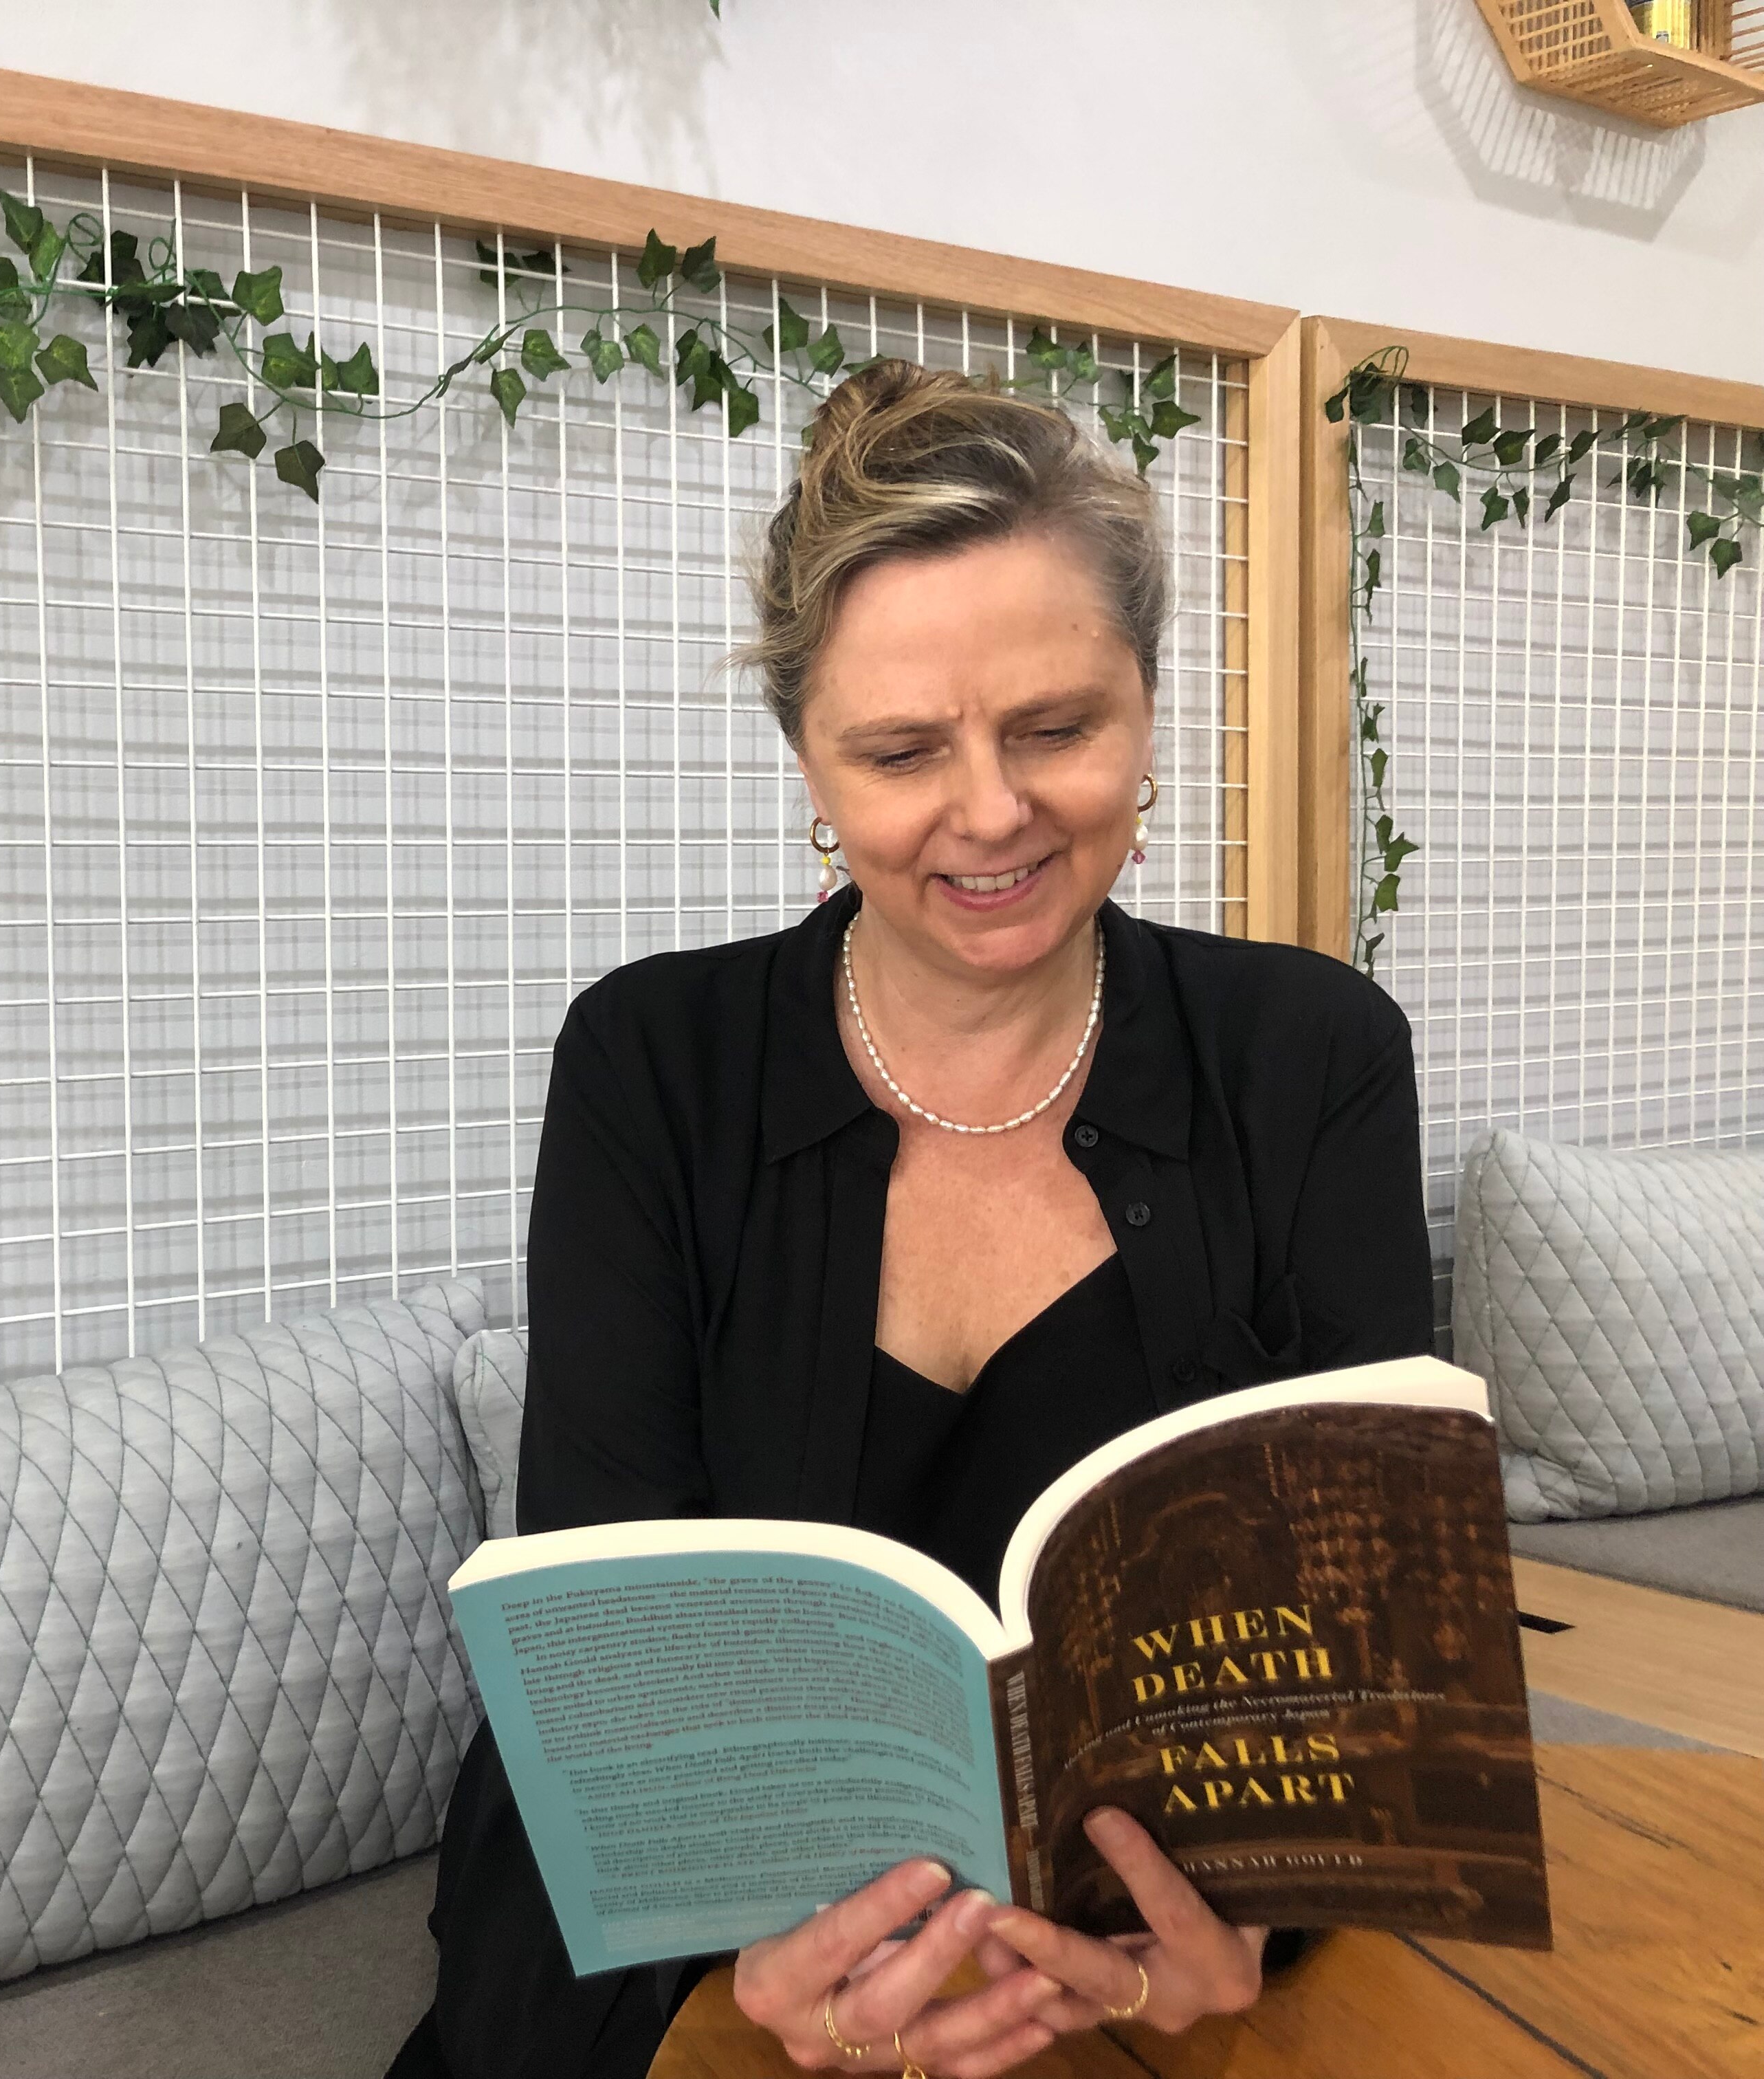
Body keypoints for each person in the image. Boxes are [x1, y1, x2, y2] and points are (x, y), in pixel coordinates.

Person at [388, 360, 1434, 2079]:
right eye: (900, 751)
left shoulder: (1312, 1059)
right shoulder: (654, 1063)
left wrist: (1263, 1912)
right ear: (808, 756)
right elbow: (615, 1634)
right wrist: (745, 1961)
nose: (993, 812)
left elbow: (1358, 1625)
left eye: (1056, 727)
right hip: (672, 1929)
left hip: (1139, 1941)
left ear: (1149, 711)